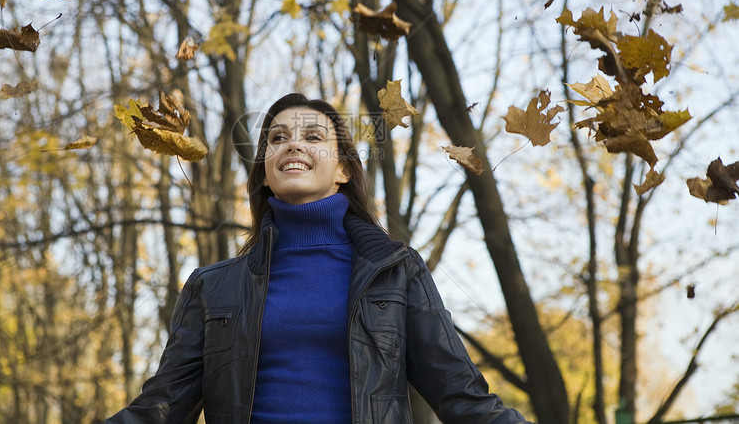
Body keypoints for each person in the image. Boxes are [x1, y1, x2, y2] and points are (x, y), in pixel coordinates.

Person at [104, 93, 534, 424]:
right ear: (266, 172)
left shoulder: (396, 272)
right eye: (277, 138)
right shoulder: (213, 286)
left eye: (313, 137)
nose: (293, 145)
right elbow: (159, 408)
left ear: (344, 170)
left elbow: (463, 398)